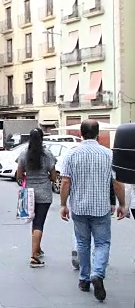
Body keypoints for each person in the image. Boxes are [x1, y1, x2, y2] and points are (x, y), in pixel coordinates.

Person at [59, 120, 126, 302]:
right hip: (101, 208)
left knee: (82, 243)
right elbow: (117, 182)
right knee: (102, 243)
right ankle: (98, 274)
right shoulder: (108, 155)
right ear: (98, 134)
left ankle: (84, 279)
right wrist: (122, 203)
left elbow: (65, 182)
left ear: (81, 134)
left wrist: (63, 204)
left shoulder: (71, 154)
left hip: (79, 207)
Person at [15, 129, 56, 268]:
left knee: (34, 222)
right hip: (44, 193)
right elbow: (54, 176)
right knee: (39, 223)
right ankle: (33, 256)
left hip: (29, 193)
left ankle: (37, 248)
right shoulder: (48, 155)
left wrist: (27, 178)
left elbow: (19, 175)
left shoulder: (23, 155)